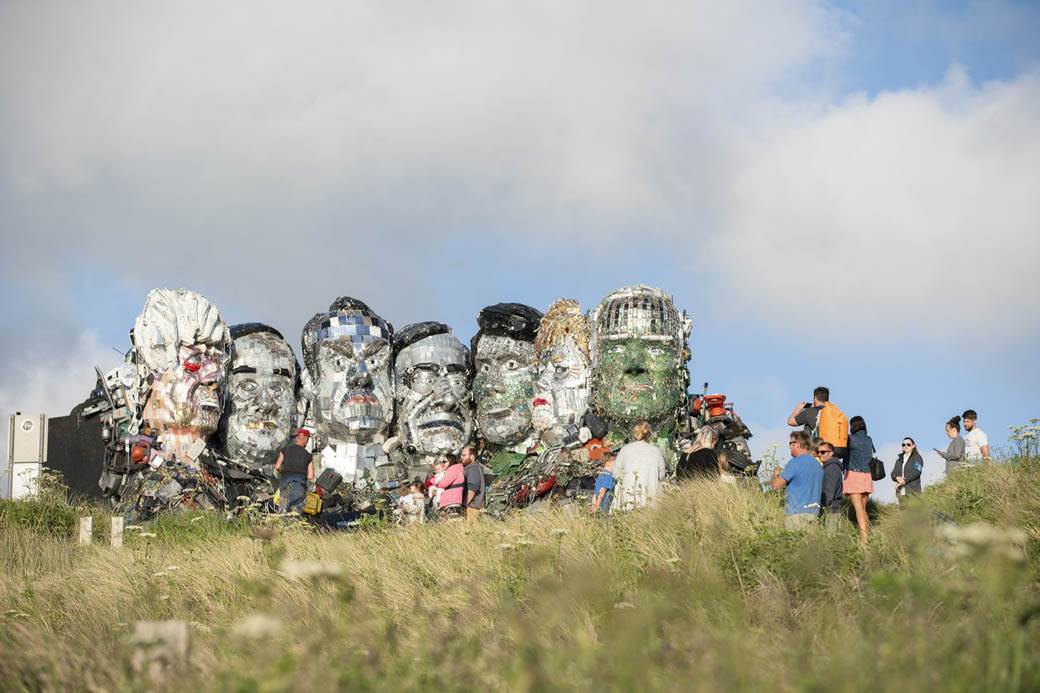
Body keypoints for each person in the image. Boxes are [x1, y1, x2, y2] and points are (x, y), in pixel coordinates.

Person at [770, 431, 823, 529]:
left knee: (793, 544)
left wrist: (774, 475)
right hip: (814, 515)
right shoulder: (818, 466)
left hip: (796, 515)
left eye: (791, 443)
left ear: (797, 445)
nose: (790, 447)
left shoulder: (795, 462)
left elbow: (775, 486)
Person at [612, 422, 667, 512]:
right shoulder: (656, 451)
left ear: (634, 434)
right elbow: (661, 476)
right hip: (649, 500)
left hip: (627, 499)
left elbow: (615, 474)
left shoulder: (625, 449)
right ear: (649, 435)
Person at [787, 386, 848, 459]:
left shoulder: (809, 412)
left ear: (815, 398)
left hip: (817, 453)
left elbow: (790, 421)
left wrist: (798, 408)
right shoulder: (834, 412)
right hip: (835, 450)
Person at [843, 416, 874, 542]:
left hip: (854, 475)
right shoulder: (869, 439)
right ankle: (868, 536)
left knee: (858, 510)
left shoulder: (851, 439)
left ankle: (864, 541)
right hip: (867, 475)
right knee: (863, 510)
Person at [273, 428, 314, 513]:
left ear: (297, 438)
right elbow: (310, 476)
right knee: (295, 517)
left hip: (286, 486)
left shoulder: (285, 450)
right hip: (300, 488)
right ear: (305, 439)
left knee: (282, 515)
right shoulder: (308, 455)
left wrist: (284, 471)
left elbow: (277, 467)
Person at [815, 439, 844, 527]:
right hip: (830, 510)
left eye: (823, 452)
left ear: (831, 453)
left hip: (831, 511)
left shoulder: (832, 468)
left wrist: (820, 507)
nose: (819, 454)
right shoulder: (827, 467)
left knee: (830, 538)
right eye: (818, 452)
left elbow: (829, 492)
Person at [891, 437, 924, 501]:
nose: (906, 446)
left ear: (913, 446)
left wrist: (904, 480)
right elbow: (893, 474)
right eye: (903, 444)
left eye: (908, 444)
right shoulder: (899, 460)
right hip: (901, 493)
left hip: (913, 492)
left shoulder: (917, 458)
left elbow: (917, 471)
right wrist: (897, 477)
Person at [460, 444, 486, 521]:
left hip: (471, 507)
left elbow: (472, 488)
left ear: (472, 456)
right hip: (473, 506)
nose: (461, 458)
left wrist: (464, 505)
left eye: (464, 455)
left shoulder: (473, 468)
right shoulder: (475, 467)